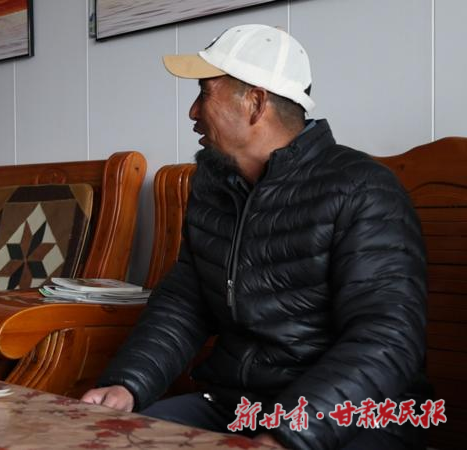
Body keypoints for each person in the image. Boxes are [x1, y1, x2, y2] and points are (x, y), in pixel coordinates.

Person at [81, 24, 428, 450]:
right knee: (106, 439)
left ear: (256, 102)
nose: (192, 111)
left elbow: (386, 339)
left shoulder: (362, 189)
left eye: (204, 93)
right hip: (239, 406)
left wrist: (286, 434)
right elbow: (186, 302)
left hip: (351, 416)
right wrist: (128, 384)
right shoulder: (214, 187)